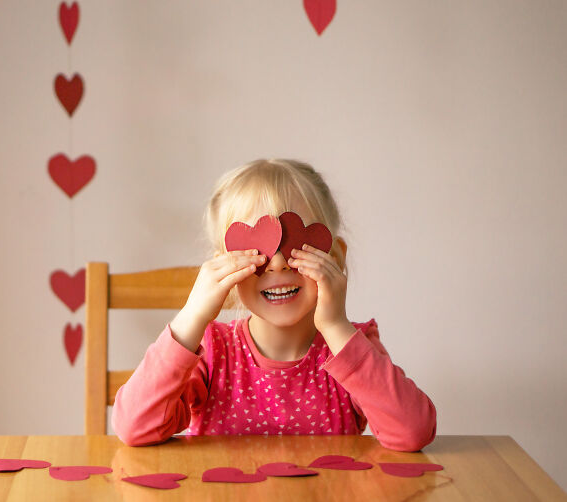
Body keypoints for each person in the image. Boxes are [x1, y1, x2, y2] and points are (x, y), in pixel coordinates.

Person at [112, 158, 437, 451]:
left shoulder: (352, 348)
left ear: (334, 257)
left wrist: (337, 327)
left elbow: (412, 432)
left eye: (297, 243)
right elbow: (134, 428)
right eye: (257, 248)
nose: (278, 263)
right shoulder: (211, 351)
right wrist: (193, 316)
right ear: (223, 269)